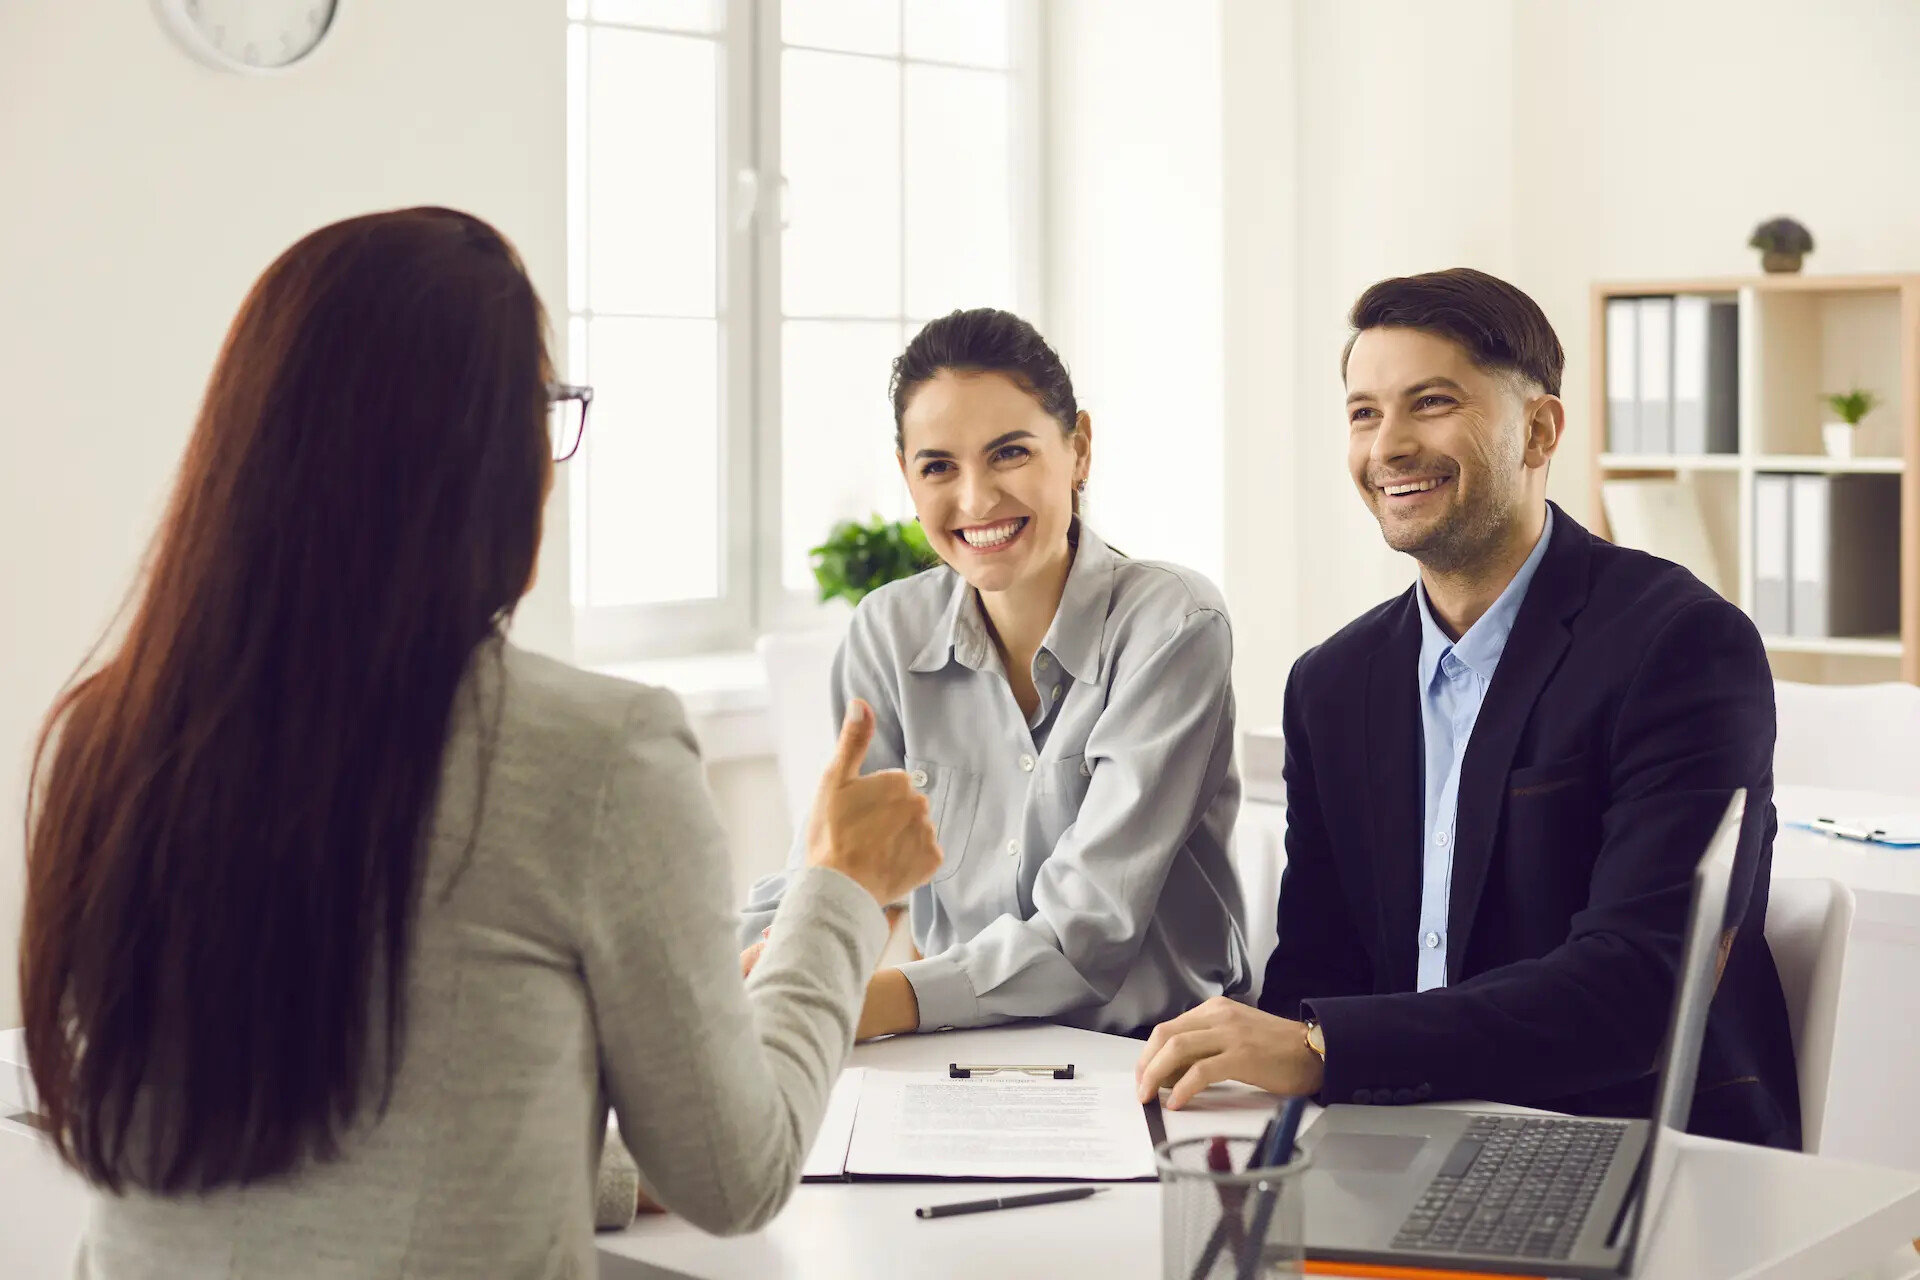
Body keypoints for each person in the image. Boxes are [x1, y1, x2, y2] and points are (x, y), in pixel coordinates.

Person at [18, 207, 942, 1279]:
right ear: (487, 458)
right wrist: (840, 889)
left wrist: (585, 1151)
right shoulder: (600, 752)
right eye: (543, 409)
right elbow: (737, 1176)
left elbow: (358, 1121)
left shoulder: (107, 735)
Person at [1136, 268, 1799, 1149]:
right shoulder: (1331, 684)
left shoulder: (1681, 647)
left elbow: (1640, 986)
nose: (1389, 446)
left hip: (1632, 1146)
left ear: (1540, 429)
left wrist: (1330, 1049)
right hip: (1390, 1136)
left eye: (1432, 403)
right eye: (1364, 413)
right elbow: (1317, 972)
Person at [741, 308, 1250, 1039]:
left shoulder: (1173, 627)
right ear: (907, 477)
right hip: (955, 1054)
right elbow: (827, 872)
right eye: (938, 466)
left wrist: (851, 1000)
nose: (976, 499)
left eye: (1009, 453)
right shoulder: (887, 633)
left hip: (1151, 1060)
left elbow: (1087, 929)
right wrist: (746, 969)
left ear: (1078, 449)